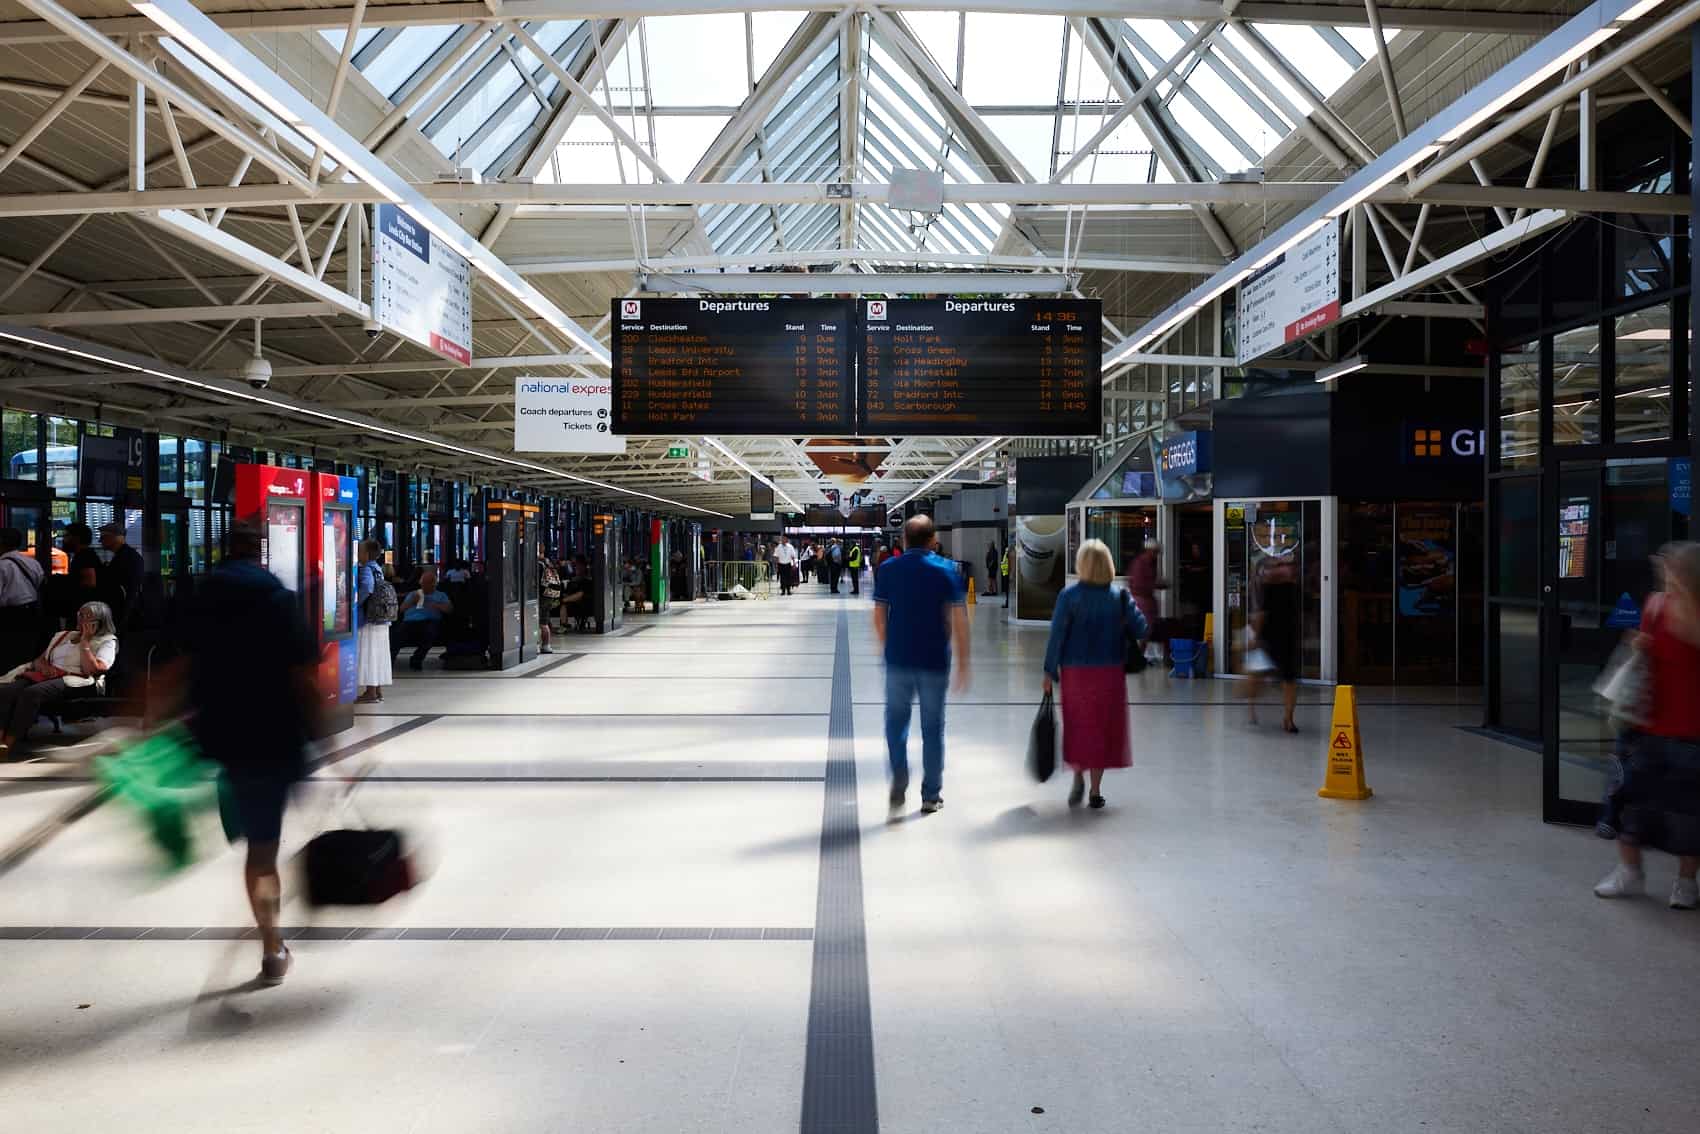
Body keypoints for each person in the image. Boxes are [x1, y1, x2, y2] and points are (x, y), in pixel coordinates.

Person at [173, 522, 318, 985]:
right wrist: (329, 738)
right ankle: (272, 946)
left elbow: (176, 666)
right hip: (275, 735)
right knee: (264, 848)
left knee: (254, 843)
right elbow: (304, 675)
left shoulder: (200, 597)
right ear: (260, 551)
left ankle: (270, 932)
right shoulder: (278, 598)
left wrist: (148, 725)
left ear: (223, 550)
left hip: (221, 734)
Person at [1595, 542, 1700, 909]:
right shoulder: (1654, 604)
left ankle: (1686, 882)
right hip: (1646, 724)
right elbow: (1641, 651)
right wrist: (1638, 643)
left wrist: (1686, 595)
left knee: (1688, 813)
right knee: (1630, 802)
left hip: (1691, 730)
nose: (1666, 576)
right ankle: (1629, 870)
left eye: (1673, 571)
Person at [873, 514, 969, 817]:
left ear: (903, 540)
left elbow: (878, 616)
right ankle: (931, 795)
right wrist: (964, 661)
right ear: (933, 541)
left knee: (896, 723)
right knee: (932, 728)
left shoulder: (888, 569)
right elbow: (958, 618)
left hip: (898, 659)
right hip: (934, 661)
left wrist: (886, 647)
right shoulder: (946, 570)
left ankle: (899, 774)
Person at [1043, 540, 1147, 810]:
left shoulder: (1068, 596)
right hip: (1109, 674)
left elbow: (1056, 636)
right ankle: (1095, 791)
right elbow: (1142, 628)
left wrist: (1048, 670)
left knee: (1079, 726)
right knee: (1101, 729)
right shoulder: (1119, 596)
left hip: (1075, 674)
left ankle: (1078, 773)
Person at [0, 600, 116, 760]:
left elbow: (93, 670)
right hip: (48, 675)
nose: (81, 619)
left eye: (87, 617)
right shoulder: (63, 635)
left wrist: (85, 642)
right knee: (6, 690)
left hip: (77, 678)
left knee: (32, 693)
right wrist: (44, 667)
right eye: (80, 615)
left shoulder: (107, 641)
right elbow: (39, 660)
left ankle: (8, 744)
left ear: (99, 622)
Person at [1246, 552, 1301, 733]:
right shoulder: (1289, 588)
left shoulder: (1270, 588)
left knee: (1261, 673)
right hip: (1282, 636)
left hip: (1274, 636)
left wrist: (1255, 636)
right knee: (1288, 679)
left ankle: (1255, 709)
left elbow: (1261, 613)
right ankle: (1288, 719)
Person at [0, 527, 44, 673]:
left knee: (7, 654)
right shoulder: (32, 562)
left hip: (9, 616)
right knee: (26, 653)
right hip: (31, 613)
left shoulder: (2, 565)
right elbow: (40, 584)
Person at [354, 540, 393, 703]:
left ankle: (370, 691)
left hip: (369, 619)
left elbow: (368, 588)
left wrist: (355, 603)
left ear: (367, 554)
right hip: (381, 618)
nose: (357, 553)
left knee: (368, 653)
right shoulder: (378, 568)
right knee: (379, 653)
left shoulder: (366, 569)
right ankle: (377, 691)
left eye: (360, 550)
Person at [391, 567, 452, 670]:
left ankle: (416, 659)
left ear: (434, 584)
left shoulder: (440, 595)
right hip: (410, 621)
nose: (425, 586)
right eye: (423, 583)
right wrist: (411, 602)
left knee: (430, 633)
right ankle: (390, 661)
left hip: (429, 621)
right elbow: (401, 610)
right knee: (397, 635)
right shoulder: (413, 594)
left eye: (428, 583)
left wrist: (435, 605)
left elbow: (449, 609)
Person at [97, 522, 145, 630]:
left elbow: (131, 589)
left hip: (122, 613)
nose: (100, 541)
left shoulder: (127, 558)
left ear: (117, 538)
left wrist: (123, 617)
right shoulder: (125, 556)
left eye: (104, 537)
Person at [539, 553, 563, 652]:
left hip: (543, 597)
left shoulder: (540, 566)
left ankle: (543, 645)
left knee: (542, 623)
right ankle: (546, 645)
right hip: (550, 597)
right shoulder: (550, 567)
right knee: (545, 621)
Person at [1001, 545, 1011, 609]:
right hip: (1005, 573)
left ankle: (1007, 603)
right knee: (1007, 590)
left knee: (1007, 590)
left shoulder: (1007, 554)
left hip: (1007, 574)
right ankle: (1007, 603)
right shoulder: (1006, 554)